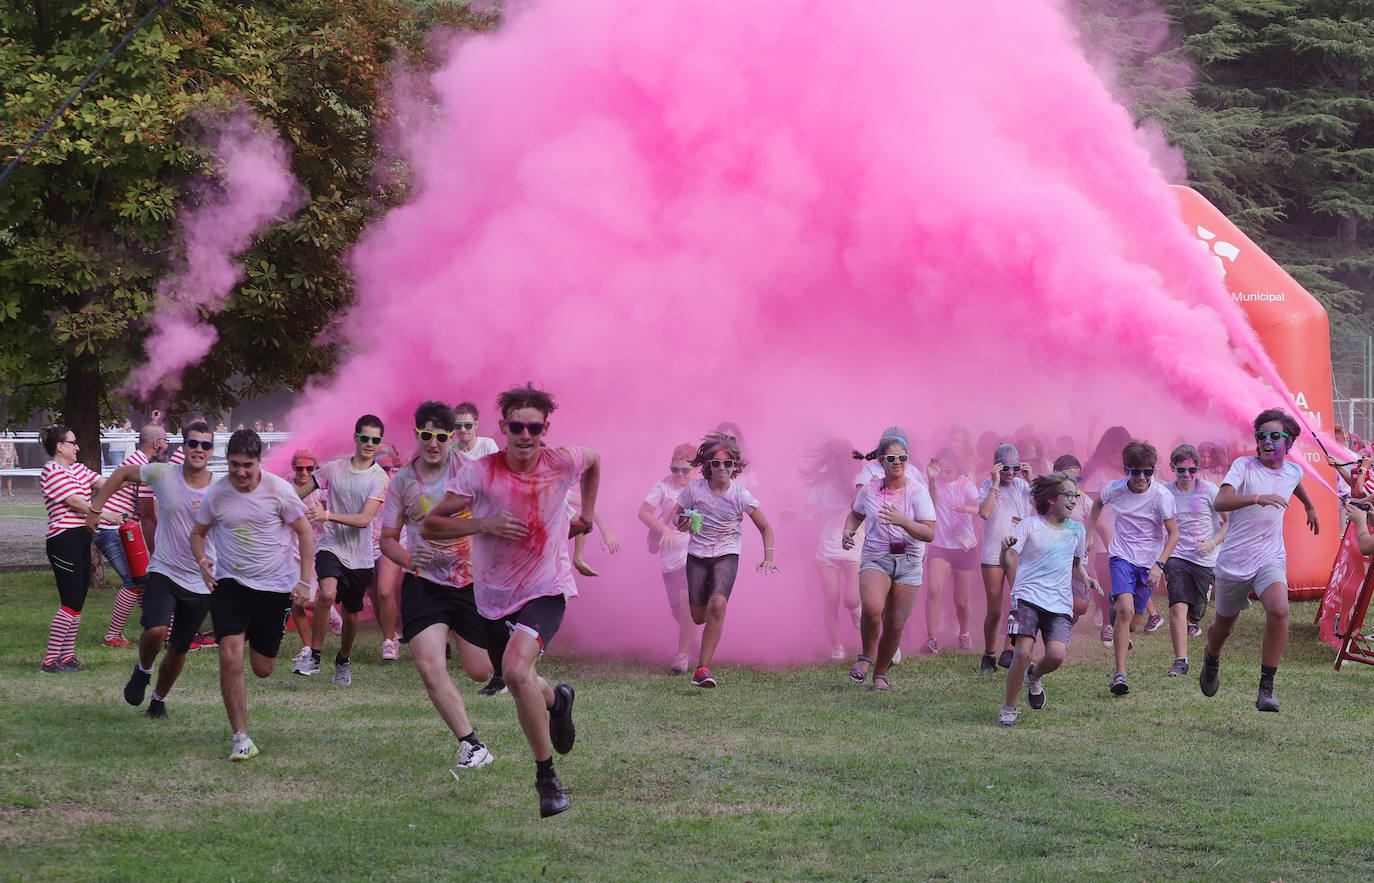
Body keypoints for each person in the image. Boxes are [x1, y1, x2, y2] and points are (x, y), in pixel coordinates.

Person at [422, 383, 601, 817]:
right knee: (521, 678)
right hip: (493, 597)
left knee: (516, 671)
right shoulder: (479, 472)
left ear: (545, 428)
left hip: (547, 587)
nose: (525, 434)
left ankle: (547, 780)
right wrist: (483, 524)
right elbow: (431, 525)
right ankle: (558, 702)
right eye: (516, 426)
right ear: (503, 427)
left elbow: (594, 460)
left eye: (534, 427)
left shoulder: (561, 461)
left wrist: (588, 516)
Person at [190, 430, 315, 761]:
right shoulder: (216, 494)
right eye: (234, 465)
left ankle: (256, 647)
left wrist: (304, 581)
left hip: (273, 589)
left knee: (262, 668)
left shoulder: (279, 491)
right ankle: (241, 737)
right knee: (229, 655)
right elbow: (198, 534)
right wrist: (203, 561)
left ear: (259, 461)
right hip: (229, 584)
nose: (240, 473)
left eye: (247, 465)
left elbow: (304, 532)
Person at [88, 422, 217, 718]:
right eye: (193, 443)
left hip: (200, 581)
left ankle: (158, 701)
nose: (199, 450)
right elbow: (121, 474)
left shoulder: (219, 489)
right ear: (183, 446)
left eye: (205, 445)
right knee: (156, 628)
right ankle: (143, 669)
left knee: (178, 649)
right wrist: (96, 509)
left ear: (211, 451)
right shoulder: (162, 474)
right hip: (164, 569)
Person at [381, 400, 500, 700]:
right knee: (429, 665)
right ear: (416, 433)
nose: (433, 444)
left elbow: (498, 512)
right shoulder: (402, 483)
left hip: (468, 582)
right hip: (424, 583)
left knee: (480, 671)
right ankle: (469, 743)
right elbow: (387, 540)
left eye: (441, 437)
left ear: (452, 436)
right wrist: (408, 558)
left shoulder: (471, 471)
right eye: (426, 436)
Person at [1200, 410, 1318, 712]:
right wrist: (1256, 497)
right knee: (1223, 627)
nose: (1266, 441)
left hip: (1270, 556)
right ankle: (1211, 659)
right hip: (1234, 561)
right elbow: (1220, 501)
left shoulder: (1293, 471)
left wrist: (1310, 507)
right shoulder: (1244, 466)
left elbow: (1295, 483)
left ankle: (1267, 687)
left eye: (1274, 436)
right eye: (1261, 435)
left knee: (1279, 610)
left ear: (1288, 442)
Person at [671, 431, 777, 689]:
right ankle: (705, 633)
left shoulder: (740, 495)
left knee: (717, 605)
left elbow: (766, 527)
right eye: (716, 463)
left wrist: (768, 557)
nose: (721, 468)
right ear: (708, 466)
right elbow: (676, 516)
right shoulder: (694, 490)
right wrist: (682, 524)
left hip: (726, 553)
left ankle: (702, 669)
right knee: (698, 616)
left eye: (727, 464)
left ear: (735, 467)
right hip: (697, 555)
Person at [291, 416, 388, 685]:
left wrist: (327, 514)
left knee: (351, 615)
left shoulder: (379, 477)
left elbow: (364, 519)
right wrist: (274, 503)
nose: (369, 444)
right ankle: (315, 655)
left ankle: (343, 660)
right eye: (365, 438)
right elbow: (301, 492)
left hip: (359, 555)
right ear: (356, 437)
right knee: (327, 592)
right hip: (330, 546)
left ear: (379, 444)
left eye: (375, 440)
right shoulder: (334, 469)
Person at [997, 473, 1099, 726]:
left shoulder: (1077, 530)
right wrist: (1004, 549)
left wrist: (1085, 578)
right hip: (1028, 596)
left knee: (1056, 657)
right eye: (1068, 495)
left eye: (1076, 495)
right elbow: (1010, 559)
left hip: (1059, 602)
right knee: (1021, 653)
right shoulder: (1029, 525)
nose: (1074, 500)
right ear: (1052, 498)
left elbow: (1076, 565)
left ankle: (1035, 674)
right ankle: (1009, 708)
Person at [842, 429, 935, 690]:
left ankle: (880, 673)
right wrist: (847, 531)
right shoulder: (870, 490)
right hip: (876, 558)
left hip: (909, 563)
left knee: (895, 624)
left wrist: (903, 521)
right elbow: (855, 515)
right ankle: (865, 657)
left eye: (902, 458)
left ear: (908, 460)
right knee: (872, 608)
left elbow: (929, 533)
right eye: (891, 459)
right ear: (881, 460)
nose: (897, 464)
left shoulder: (918, 492)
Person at [1086, 440, 1179, 697]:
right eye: (1134, 471)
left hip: (1149, 563)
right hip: (1121, 557)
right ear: (1125, 469)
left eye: (1147, 472)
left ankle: (1119, 619)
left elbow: (1173, 534)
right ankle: (1120, 675)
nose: (1140, 477)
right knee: (1125, 610)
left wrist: (1159, 565)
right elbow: (1096, 505)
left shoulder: (1162, 496)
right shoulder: (1114, 489)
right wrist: (1090, 534)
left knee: (1133, 623)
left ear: (1154, 471)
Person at [38, 425, 120, 671]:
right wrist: (105, 515)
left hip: (81, 538)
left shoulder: (78, 469)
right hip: (63, 540)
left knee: (78, 601)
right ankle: (51, 660)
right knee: (70, 600)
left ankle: (67, 656)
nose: (77, 447)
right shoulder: (51, 470)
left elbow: (105, 483)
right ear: (59, 446)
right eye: (72, 443)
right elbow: (74, 502)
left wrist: (136, 478)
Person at [100, 423, 169, 648]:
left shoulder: (136, 460)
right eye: (166, 441)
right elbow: (149, 511)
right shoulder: (142, 467)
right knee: (134, 581)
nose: (168, 446)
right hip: (113, 528)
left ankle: (157, 627)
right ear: (157, 444)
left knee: (142, 580)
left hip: (115, 527)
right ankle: (112, 636)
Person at [1162, 444, 1227, 677]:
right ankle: (1180, 660)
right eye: (1181, 470)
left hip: (1206, 559)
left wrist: (1214, 542)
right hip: (1177, 554)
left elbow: (1229, 521)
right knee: (1178, 603)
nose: (1187, 475)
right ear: (1172, 467)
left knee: (1197, 610)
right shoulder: (1165, 492)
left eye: (1193, 470)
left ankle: (1193, 619)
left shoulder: (1210, 490)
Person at [637, 443, 702, 673]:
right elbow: (643, 512)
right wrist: (663, 530)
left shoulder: (702, 488)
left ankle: (682, 656)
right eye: (675, 469)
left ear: (696, 470)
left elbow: (701, 525)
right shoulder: (663, 485)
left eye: (685, 470)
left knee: (687, 602)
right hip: (669, 558)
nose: (679, 475)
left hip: (693, 554)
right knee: (677, 609)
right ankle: (692, 639)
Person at [797, 439, 862, 662]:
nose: (834, 464)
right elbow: (805, 511)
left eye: (838, 459)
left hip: (853, 546)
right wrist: (794, 517)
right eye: (831, 459)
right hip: (827, 548)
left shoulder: (856, 484)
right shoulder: (820, 487)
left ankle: (856, 609)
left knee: (851, 598)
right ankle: (837, 646)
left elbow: (863, 506)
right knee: (831, 597)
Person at [976, 443, 1032, 672]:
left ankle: (1009, 650)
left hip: (1019, 550)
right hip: (992, 552)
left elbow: (1043, 507)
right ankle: (989, 654)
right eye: (1005, 468)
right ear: (997, 467)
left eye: (1015, 468)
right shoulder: (988, 485)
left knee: (1019, 602)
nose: (1011, 473)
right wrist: (996, 483)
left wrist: (1031, 479)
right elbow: (984, 512)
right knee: (996, 609)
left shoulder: (1022, 485)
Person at [285, 448, 341, 660]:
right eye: (300, 468)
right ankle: (308, 646)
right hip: (291, 552)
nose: (304, 472)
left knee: (303, 598)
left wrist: (325, 515)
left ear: (316, 469)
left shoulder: (321, 490)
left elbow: (337, 509)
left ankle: (330, 614)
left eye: (309, 468)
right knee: (294, 600)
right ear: (293, 468)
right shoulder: (285, 485)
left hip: (317, 551)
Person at [924, 447, 980, 653]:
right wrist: (932, 481)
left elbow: (980, 509)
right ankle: (931, 638)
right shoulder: (934, 483)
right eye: (942, 471)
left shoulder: (967, 485)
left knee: (961, 600)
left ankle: (964, 633)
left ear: (958, 469)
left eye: (949, 471)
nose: (945, 475)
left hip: (964, 547)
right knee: (934, 589)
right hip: (940, 545)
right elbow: (930, 505)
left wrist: (965, 509)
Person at [368, 442, 404, 661]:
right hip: (365, 545)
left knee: (384, 590)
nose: (384, 472)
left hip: (392, 542)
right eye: (379, 467)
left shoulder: (401, 482)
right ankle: (390, 636)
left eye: (387, 468)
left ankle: (388, 642)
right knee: (375, 598)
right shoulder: (364, 479)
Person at [0, 426, 17, 496]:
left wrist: (16, 459)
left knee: (10, 476)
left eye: (7, 431)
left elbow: (14, 449)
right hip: (1, 460)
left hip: (10, 460)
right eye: (5, 431)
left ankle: (9, 491)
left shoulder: (10, 439)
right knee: (0, 475)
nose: (6, 433)